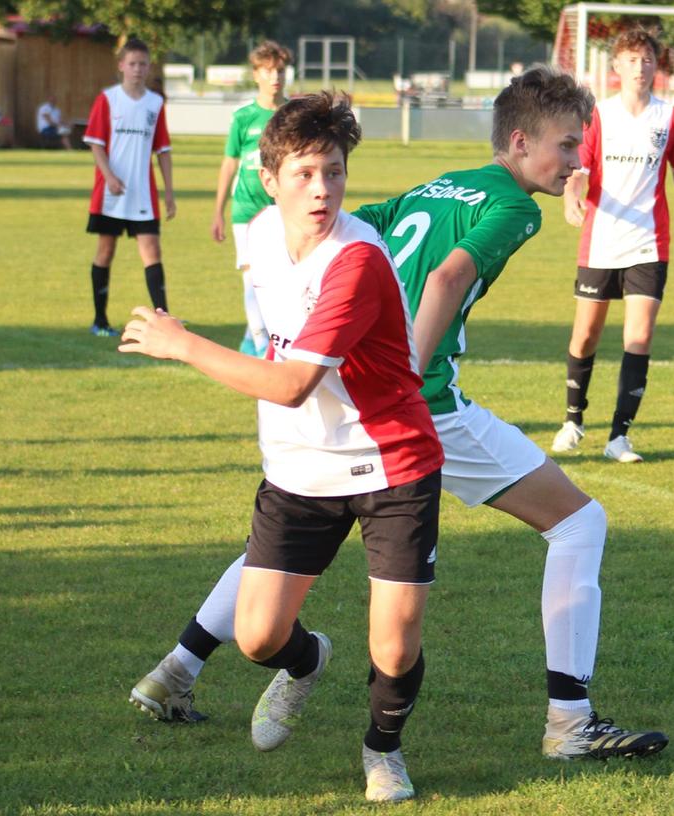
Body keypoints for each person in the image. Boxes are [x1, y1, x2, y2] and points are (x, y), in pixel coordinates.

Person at [127, 66, 669, 763]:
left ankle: (180, 665)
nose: (576, 162)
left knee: (297, 523)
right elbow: (445, 276)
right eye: (566, 146)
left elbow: (371, 224)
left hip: (347, 393)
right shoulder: (515, 206)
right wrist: (408, 372)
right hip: (417, 406)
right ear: (518, 140)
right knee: (578, 521)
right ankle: (570, 720)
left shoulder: (447, 181)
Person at [118, 92, 442, 802]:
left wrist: (182, 345)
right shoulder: (262, 235)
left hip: (390, 461)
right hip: (300, 470)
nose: (321, 188)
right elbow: (278, 346)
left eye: (333, 171)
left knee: (394, 640)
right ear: (269, 179)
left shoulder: (353, 260)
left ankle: (381, 751)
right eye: (304, 173)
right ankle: (308, 661)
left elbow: (293, 381)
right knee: (260, 636)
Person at [551, 28, 674, 463]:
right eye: (631, 60)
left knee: (639, 337)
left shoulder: (671, 118)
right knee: (586, 334)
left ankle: (618, 437)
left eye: (647, 60)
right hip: (601, 241)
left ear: (655, 65)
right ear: (616, 67)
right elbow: (578, 170)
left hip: (650, 242)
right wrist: (571, 199)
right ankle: (573, 420)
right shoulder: (598, 117)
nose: (640, 67)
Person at [83, 39, 175, 337]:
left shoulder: (155, 104)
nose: (137, 69)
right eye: (132, 63)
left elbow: (163, 150)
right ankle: (100, 321)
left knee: (152, 250)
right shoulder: (108, 99)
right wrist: (108, 175)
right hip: (111, 193)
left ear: (149, 68)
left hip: (142, 193)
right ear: (121, 65)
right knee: (105, 251)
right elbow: (96, 145)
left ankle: (165, 321)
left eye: (143, 64)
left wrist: (169, 192)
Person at [211, 40, 291, 358]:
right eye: (268, 71)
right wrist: (218, 210)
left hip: (283, 210)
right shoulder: (244, 116)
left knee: (281, 279)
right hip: (246, 210)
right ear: (256, 74)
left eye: (280, 71)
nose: (275, 78)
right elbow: (230, 160)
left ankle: (249, 339)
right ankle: (261, 349)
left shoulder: (292, 115)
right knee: (252, 280)